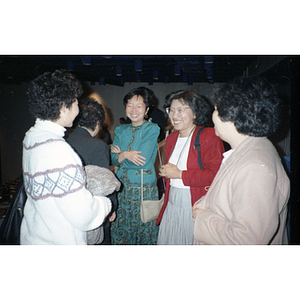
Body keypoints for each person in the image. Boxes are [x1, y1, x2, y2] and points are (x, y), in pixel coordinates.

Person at [192, 76, 290, 245]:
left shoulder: (255, 166)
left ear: (234, 116)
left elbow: (245, 240)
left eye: (216, 109)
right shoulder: (249, 150)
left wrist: (203, 218)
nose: (213, 116)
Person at [21, 70, 111, 245]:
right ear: (64, 108)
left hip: (35, 235)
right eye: (76, 101)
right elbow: (84, 215)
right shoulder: (59, 150)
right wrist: (105, 203)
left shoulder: (32, 137)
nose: (78, 108)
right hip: (59, 241)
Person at [156, 90, 224, 245]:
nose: (174, 115)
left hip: (194, 202)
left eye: (181, 110)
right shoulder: (172, 138)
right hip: (172, 201)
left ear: (195, 113)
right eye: (171, 110)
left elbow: (216, 175)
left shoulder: (209, 135)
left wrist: (180, 174)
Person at [110, 87, 160, 245]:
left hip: (142, 189)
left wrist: (120, 155)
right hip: (122, 188)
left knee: (143, 228)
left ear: (147, 109)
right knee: (122, 229)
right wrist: (125, 155)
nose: (133, 110)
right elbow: (112, 157)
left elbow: (142, 160)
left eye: (139, 106)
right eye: (130, 105)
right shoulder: (120, 129)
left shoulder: (152, 128)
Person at [66, 97, 117, 244]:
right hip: (93, 210)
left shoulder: (64, 141)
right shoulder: (98, 145)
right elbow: (105, 183)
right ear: (97, 123)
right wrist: (112, 207)